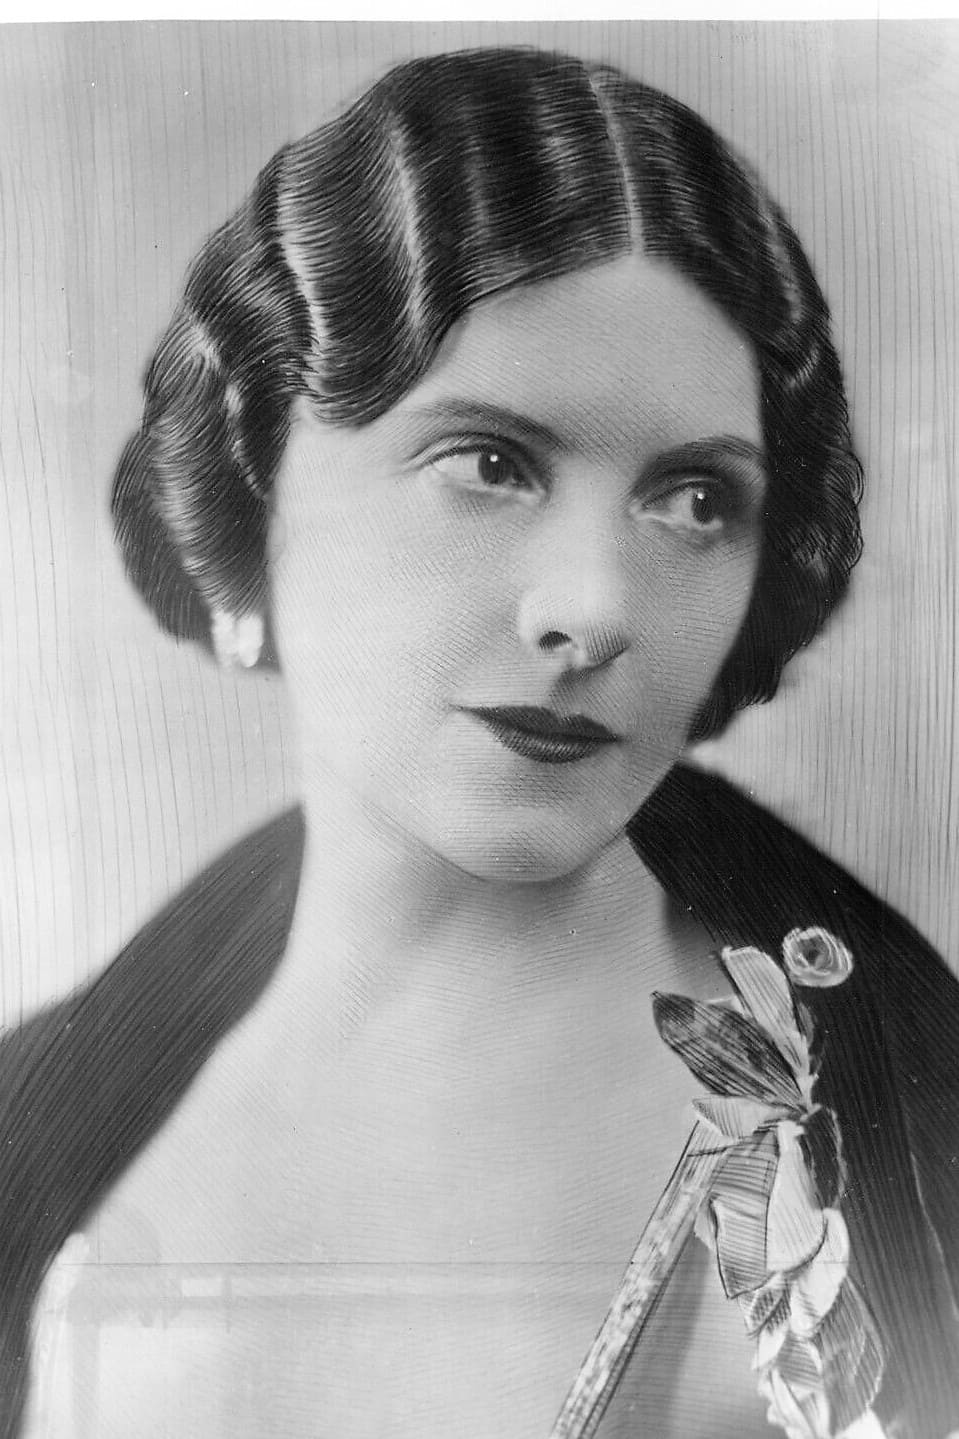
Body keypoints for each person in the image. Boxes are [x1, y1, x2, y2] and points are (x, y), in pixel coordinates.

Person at [1, 44, 957, 1439]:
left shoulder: (900, 1131)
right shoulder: (47, 1123)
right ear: (253, 493)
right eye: (491, 464)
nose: (596, 607)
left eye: (696, 499)